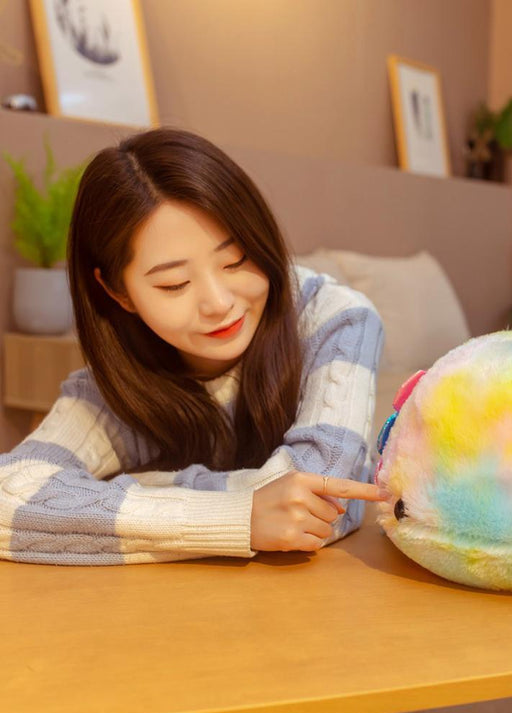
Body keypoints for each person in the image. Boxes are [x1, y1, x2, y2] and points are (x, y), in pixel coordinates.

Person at [0, 127, 388, 565]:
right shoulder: (116, 386)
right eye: (174, 284)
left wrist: (135, 487)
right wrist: (240, 517)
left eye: (235, 260)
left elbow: (321, 504)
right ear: (118, 292)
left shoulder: (336, 318)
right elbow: (9, 494)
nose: (219, 303)